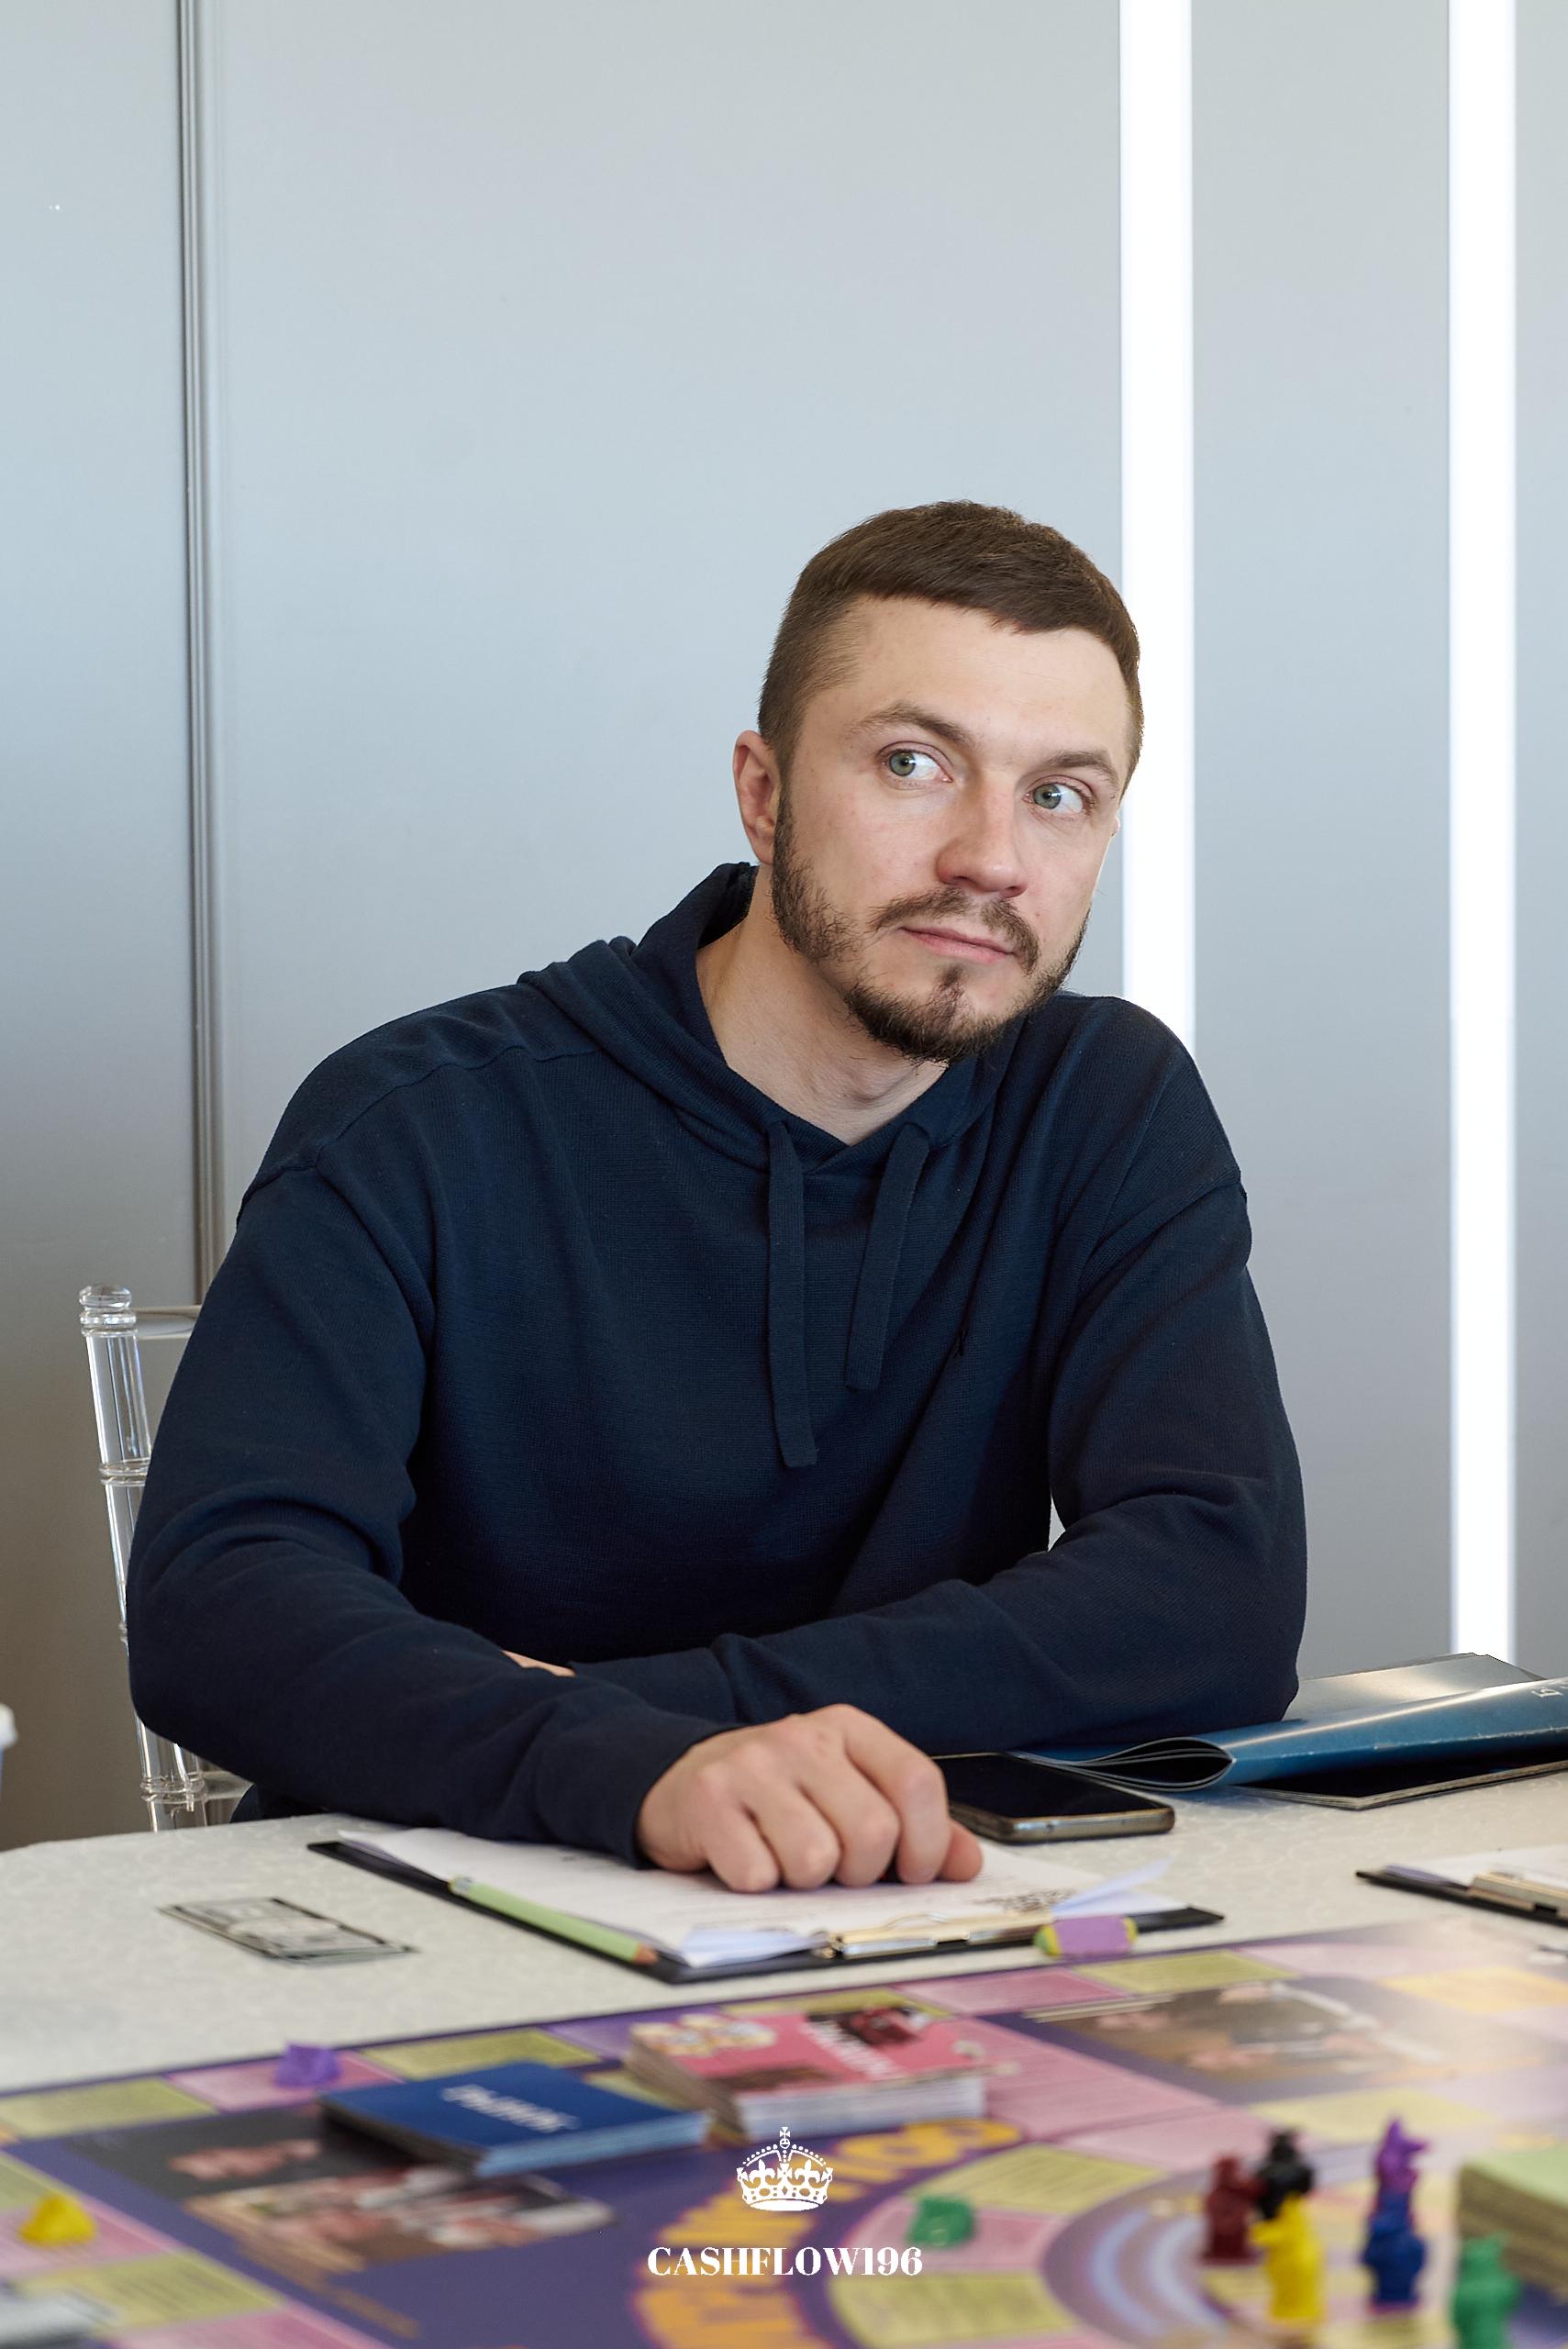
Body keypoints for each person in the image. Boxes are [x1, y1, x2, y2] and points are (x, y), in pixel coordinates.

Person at [127, 500, 1307, 1894]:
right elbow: (221, 1608)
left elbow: (1211, 1596)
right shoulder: (421, 1121)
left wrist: (634, 1717)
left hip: (887, 1905)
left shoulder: (1101, 1103)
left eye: (1060, 794)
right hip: (446, 1907)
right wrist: (624, 1769)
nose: (992, 857)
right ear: (763, 792)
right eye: (914, 764)